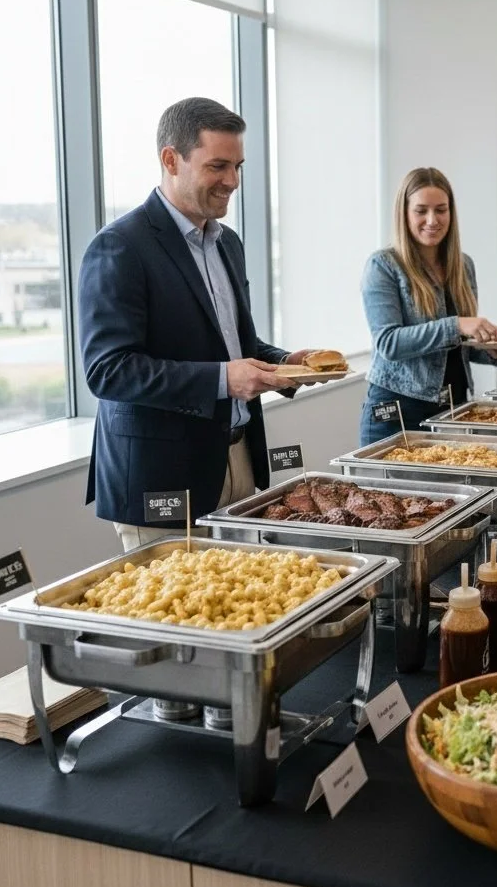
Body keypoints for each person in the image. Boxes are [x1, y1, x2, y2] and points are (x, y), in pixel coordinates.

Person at [79, 97, 318, 551]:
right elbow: (108, 371)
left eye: (238, 166)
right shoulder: (119, 247)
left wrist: (286, 362)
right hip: (161, 476)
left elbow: (234, 344)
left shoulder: (228, 242)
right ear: (171, 160)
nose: (232, 181)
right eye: (218, 166)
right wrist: (224, 379)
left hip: (238, 458)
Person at [359, 167, 497, 445]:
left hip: (455, 407)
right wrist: (457, 324)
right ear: (404, 213)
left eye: (441, 210)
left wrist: (492, 351)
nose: (432, 220)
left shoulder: (463, 265)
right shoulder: (383, 266)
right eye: (421, 210)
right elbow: (389, 343)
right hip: (398, 412)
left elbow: (457, 347)